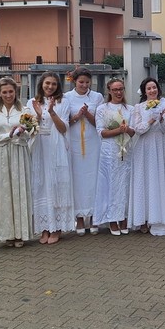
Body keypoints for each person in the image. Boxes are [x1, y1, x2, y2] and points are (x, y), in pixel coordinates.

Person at [26, 71, 75, 245]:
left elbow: (63, 129)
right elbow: (29, 127)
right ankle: (45, 227)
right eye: (47, 83)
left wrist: (52, 112)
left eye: (54, 84)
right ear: (41, 84)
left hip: (57, 146)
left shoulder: (64, 102)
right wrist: (38, 116)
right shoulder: (32, 102)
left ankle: (57, 228)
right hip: (40, 146)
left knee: (57, 184)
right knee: (41, 185)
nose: (50, 87)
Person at [129, 77, 165, 236]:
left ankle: (156, 217)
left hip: (159, 146)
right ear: (144, 91)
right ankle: (142, 218)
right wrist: (151, 119)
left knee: (156, 180)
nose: (152, 91)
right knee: (143, 180)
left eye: (154, 87)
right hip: (143, 146)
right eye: (149, 88)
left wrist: (161, 120)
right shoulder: (138, 107)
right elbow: (138, 129)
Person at [0, 77, 33, 248]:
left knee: (19, 189)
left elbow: (31, 132)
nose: (8, 95)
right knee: (4, 192)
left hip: (19, 152)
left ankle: (20, 233)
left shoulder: (24, 110)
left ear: (16, 92)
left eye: (11, 91)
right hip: (1, 153)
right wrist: (7, 135)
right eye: (5, 92)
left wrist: (23, 131)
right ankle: (7, 233)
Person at [92, 78, 135, 236]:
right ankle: (111, 218)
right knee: (110, 183)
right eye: (115, 89)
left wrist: (127, 129)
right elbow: (101, 132)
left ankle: (124, 217)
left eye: (121, 89)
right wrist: (118, 130)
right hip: (109, 152)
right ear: (109, 91)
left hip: (126, 150)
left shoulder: (130, 109)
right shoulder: (103, 109)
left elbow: (133, 131)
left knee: (125, 183)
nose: (118, 92)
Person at [65, 68, 104, 235]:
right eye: (81, 82)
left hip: (93, 142)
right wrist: (76, 116)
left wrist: (87, 113)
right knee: (77, 179)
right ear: (74, 81)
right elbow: (63, 122)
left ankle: (95, 216)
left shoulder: (97, 97)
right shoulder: (67, 98)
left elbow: (101, 123)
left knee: (94, 178)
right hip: (74, 141)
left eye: (87, 82)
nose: (84, 85)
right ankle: (80, 217)